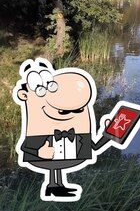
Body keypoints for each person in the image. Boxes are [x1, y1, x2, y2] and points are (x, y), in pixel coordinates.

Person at [13, 59, 112, 201]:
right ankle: (53, 186)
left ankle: (56, 186)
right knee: (54, 165)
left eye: (78, 110)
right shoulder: (38, 133)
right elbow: (24, 147)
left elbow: (94, 147)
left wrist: (108, 134)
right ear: (24, 95)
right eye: (62, 111)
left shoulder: (79, 135)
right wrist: (39, 152)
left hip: (68, 157)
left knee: (57, 166)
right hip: (44, 158)